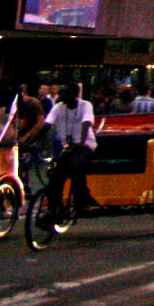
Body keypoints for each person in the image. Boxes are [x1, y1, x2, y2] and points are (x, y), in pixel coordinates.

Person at [45, 83, 97, 216]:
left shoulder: (86, 105)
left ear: (74, 94)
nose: (62, 97)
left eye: (66, 94)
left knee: (75, 166)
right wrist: (31, 142)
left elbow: (86, 123)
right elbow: (47, 125)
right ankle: (54, 207)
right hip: (67, 147)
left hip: (84, 146)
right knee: (55, 174)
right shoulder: (59, 107)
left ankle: (82, 202)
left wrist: (81, 141)